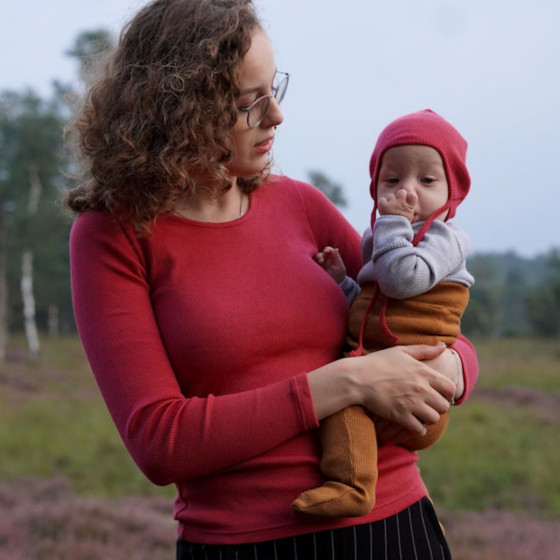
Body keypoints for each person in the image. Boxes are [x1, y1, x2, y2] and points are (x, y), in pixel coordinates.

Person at [65, 1, 478, 558]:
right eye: (246, 104)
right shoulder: (114, 234)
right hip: (244, 546)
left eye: (274, 88)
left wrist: (454, 368)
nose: (276, 115)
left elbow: (428, 319)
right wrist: (349, 383)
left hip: (397, 526)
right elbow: (159, 442)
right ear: (178, 113)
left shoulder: (301, 205)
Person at [291, 110, 474, 520]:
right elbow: (372, 303)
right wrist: (341, 281)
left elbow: (404, 282)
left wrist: (392, 222)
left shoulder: (447, 240)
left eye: (427, 181)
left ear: (453, 192)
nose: (408, 191)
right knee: (347, 402)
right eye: (393, 180)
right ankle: (357, 484)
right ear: (375, 186)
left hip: (422, 396)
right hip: (385, 375)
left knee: (340, 404)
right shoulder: (386, 237)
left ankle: (352, 485)